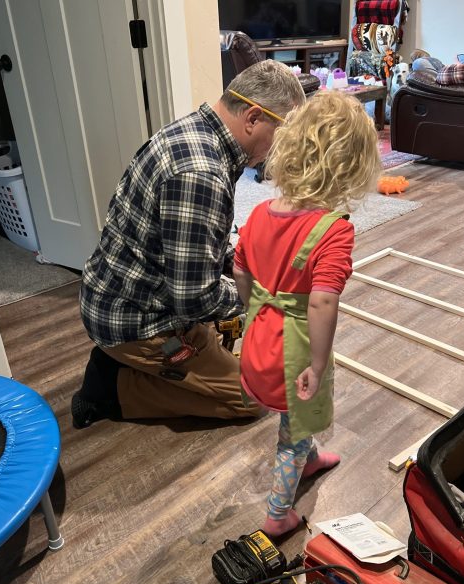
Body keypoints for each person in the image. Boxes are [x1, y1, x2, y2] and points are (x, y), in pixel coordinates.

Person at [72, 60, 306, 429]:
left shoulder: (196, 133)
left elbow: (201, 244)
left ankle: (131, 361)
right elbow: (195, 298)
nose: (282, 148)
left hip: (121, 296)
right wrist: (261, 297)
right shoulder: (201, 174)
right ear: (254, 117)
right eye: (284, 134)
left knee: (230, 325)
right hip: (137, 320)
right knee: (253, 400)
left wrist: (248, 266)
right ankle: (112, 386)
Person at [233, 91, 381, 537]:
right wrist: (317, 364)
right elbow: (321, 301)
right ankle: (279, 513)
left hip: (258, 341)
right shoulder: (333, 230)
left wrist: (250, 314)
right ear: (353, 166)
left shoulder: (259, 212)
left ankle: (311, 456)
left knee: (293, 419)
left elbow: (239, 269)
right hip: (295, 353)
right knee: (291, 432)